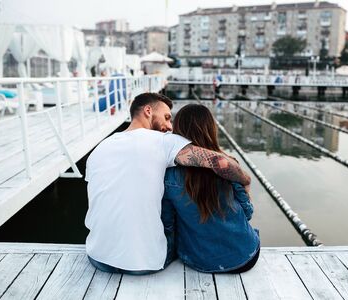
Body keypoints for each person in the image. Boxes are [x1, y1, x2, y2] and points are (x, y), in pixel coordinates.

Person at [85, 93, 250, 275]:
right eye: (166, 117)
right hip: (145, 264)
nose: (169, 127)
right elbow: (221, 163)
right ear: (148, 111)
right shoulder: (165, 142)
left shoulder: (99, 148)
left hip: (97, 256)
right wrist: (245, 180)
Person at [162, 104, 260, 273]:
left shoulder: (168, 176)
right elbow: (248, 213)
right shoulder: (229, 166)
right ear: (210, 129)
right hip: (246, 256)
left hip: (198, 261)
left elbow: (168, 223)